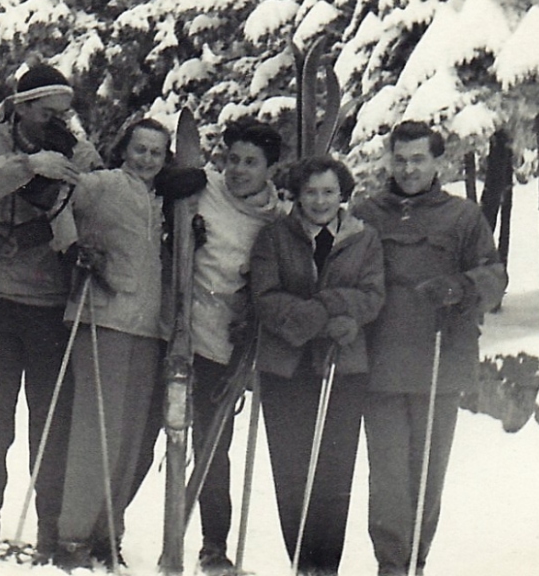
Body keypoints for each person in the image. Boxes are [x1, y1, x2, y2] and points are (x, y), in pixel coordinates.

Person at [0, 64, 104, 562]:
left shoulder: (73, 144)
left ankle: (50, 525)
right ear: (22, 105)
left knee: (51, 420)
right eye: (47, 111)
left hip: (50, 300)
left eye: (64, 111)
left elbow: (105, 192)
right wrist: (29, 167)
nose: (57, 119)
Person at [129, 117, 284, 574]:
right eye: (232, 158)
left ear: (268, 169)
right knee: (146, 435)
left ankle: (213, 548)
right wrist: (173, 204)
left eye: (251, 163)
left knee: (213, 449)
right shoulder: (203, 187)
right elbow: (144, 189)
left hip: (223, 345)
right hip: (176, 331)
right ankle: (107, 526)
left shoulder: (276, 217)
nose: (238, 169)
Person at [352, 120, 507, 576]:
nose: (408, 168)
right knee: (387, 476)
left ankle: (416, 558)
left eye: (418, 159)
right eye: (400, 159)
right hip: (379, 364)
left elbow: (495, 278)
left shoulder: (463, 217)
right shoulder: (366, 212)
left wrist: (461, 287)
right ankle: (391, 564)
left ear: (437, 161)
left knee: (426, 474)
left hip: (439, 363)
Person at [53, 118, 206, 570]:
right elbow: (59, 204)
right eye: (140, 149)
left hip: (148, 330)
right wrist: (74, 247)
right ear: (125, 149)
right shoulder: (102, 185)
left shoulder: (164, 200)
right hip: (103, 321)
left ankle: (108, 531)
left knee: (134, 440)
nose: (146, 159)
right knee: (96, 431)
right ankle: (74, 536)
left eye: (156, 153)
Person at [249, 156, 385, 576]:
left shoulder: (364, 238)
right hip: (286, 368)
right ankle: (302, 562)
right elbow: (264, 294)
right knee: (292, 471)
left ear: (343, 194)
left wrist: (335, 310)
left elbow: (372, 295)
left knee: (334, 472)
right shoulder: (274, 236)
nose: (320, 201)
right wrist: (309, 318)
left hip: (342, 367)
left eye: (329, 191)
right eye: (311, 192)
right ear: (297, 194)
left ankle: (327, 565)